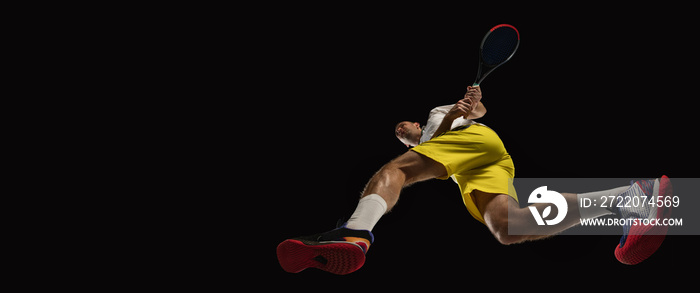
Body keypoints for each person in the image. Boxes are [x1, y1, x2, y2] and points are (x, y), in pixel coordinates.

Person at [276, 86, 672, 275]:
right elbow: (441, 139)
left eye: (404, 126)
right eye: (399, 133)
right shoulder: (430, 139)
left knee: (393, 172)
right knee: (508, 228)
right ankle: (628, 196)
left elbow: (477, 111)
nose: (402, 131)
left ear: (417, 122)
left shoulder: (434, 114)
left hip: (473, 141)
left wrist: (470, 101)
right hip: (476, 168)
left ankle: (355, 232)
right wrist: (446, 127)